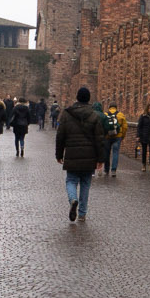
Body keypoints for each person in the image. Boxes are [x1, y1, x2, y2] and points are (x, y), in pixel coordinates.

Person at [55, 86, 108, 223]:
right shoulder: (94, 115)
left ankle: (73, 199)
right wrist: (101, 159)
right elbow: (99, 138)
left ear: (77, 98)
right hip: (89, 156)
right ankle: (82, 213)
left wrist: (59, 154)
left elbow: (60, 136)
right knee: (85, 183)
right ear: (89, 99)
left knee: (71, 181)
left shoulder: (67, 114)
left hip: (72, 154)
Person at [103, 105, 126, 177]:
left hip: (107, 136)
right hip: (117, 136)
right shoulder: (120, 114)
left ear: (109, 107)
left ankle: (106, 170)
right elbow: (125, 127)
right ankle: (113, 170)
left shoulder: (105, 114)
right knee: (115, 153)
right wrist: (122, 136)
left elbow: (103, 125)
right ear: (116, 107)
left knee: (107, 153)